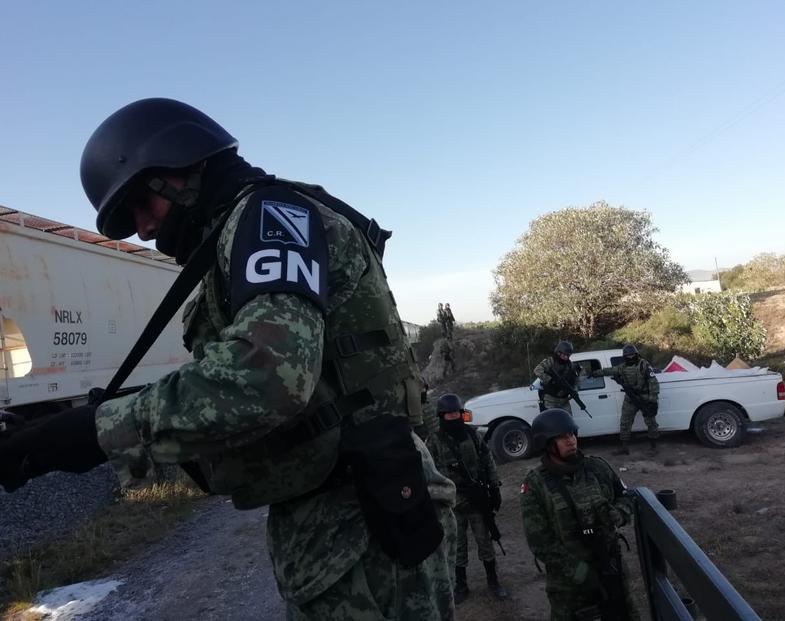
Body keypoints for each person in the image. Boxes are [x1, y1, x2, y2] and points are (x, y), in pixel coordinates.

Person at [0, 98, 457, 620]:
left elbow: (267, 375)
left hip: (361, 521)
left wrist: (101, 430)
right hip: (350, 511)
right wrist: (84, 422)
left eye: (141, 205)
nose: (145, 229)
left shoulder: (266, 217)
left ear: (178, 166)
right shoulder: (243, 228)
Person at [520, 409, 638, 621]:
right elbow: (539, 541)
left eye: (572, 434)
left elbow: (627, 497)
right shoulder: (535, 484)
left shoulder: (597, 467)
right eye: (562, 437)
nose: (571, 441)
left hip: (611, 569)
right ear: (547, 444)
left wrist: (618, 514)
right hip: (568, 587)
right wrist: (579, 572)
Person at [427, 393, 509, 604]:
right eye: (450, 414)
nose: (454, 417)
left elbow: (487, 459)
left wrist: (494, 487)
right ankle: (460, 585)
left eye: (457, 413)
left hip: (476, 498)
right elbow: (428, 471)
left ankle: (493, 581)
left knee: (485, 539)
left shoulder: (472, 435)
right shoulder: (434, 440)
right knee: (457, 545)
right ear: (441, 416)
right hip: (451, 502)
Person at [592, 344, 659, 455]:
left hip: (645, 398)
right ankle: (624, 447)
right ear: (624, 357)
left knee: (651, 422)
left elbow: (653, 383)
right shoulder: (622, 367)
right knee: (625, 422)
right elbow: (610, 370)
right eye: (628, 356)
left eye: (632, 355)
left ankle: (653, 447)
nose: (630, 357)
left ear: (636, 354)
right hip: (630, 398)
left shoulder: (644, 365)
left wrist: (652, 399)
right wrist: (595, 373)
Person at [533, 341, 582, 413]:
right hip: (550, 400)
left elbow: (577, 379)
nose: (566, 357)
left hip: (564, 401)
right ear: (559, 352)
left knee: (567, 421)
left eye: (568, 355)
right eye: (564, 355)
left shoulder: (570, 365)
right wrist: (551, 380)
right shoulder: (550, 361)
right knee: (552, 422)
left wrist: (575, 390)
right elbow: (537, 370)